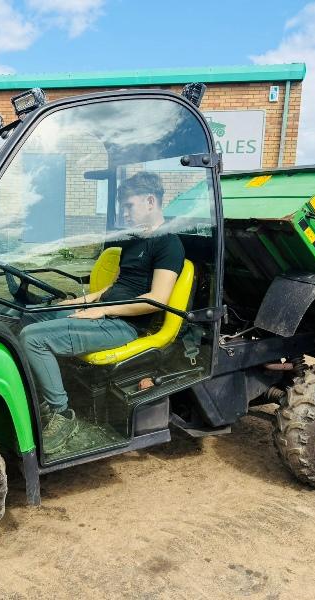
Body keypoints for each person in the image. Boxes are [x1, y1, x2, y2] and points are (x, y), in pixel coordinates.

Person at [19, 171, 185, 455]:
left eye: (129, 206)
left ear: (150, 201)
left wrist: (102, 311)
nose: (125, 213)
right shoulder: (133, 241)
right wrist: (83, 301)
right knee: (28, 316)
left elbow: (156, 300)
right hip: (104, 313)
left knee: (32, 338)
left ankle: (62, 414)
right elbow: (116, 285)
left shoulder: (168, 244)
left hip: (124, 325)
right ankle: (42, 397)